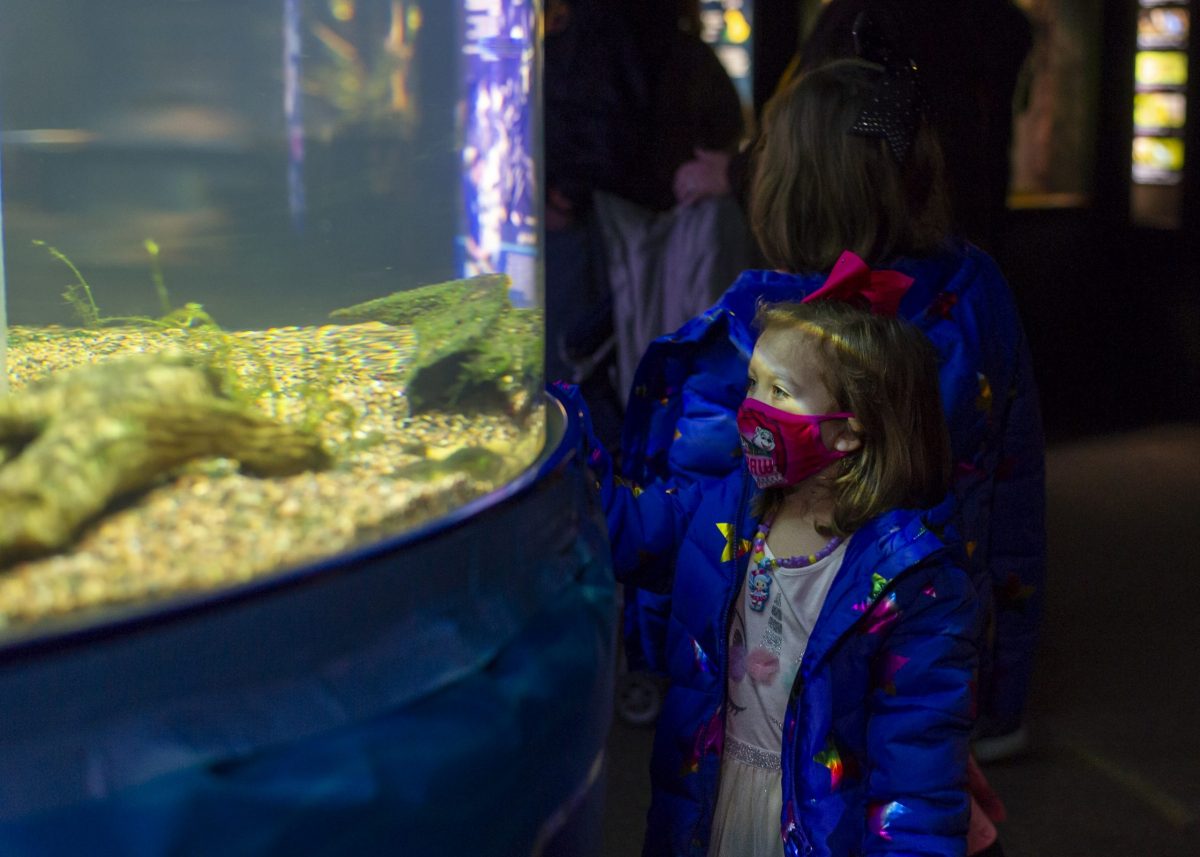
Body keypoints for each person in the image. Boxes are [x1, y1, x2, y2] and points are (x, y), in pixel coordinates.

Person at [626, 54, 1046, 771]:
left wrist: (656, 650)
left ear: (787, 186)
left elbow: (683, 517)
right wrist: (1001, 683)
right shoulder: (978, 293)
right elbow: (1015, 489)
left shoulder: (747, 333)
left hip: (771, 687)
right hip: (932, 660)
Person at [564, 268, 983, 856]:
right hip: (710, 804)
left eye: (779, 393)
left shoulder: (914, 585)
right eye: (751, 384)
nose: (751, 409)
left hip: (818, 832)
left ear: (849, 434)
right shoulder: (726, 507)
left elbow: (917, 775)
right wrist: (563, 432)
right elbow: (627, 531)